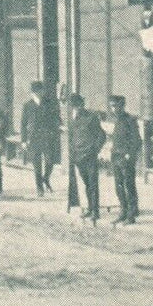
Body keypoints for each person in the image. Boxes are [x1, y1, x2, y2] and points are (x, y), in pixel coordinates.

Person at [66, 95, 106, 223]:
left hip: (89, 156)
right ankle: (89, 208)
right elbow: (71, 139)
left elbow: (101, 136)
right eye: (73, 106)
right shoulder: (72, 120)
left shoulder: (91, 117)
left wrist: (95, 150)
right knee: (86, 184)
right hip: (78, 157)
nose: (76, 108)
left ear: (82, 104)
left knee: (93, 184)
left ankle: (95, 211)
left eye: (78, 105)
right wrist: (72, 153)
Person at [19, 81, 60, 197]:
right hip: (33, 138)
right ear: (32, 93)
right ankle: (39, 187)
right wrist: (23, 140)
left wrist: (56, 127)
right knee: (37, 165)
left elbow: (55, 117)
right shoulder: (27, 106)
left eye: (39, 91)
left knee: (50, 161)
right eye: (35, 92)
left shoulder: (49, 103)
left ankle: (45, 178)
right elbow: (23, 124)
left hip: (47, 137)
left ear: (42, 91)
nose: (37, 93)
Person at [108, 95, 141, 225]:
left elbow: (137, 141)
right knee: (118, 186)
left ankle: (131, 215)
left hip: (125, 158)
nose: (113, 109)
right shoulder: (116, 120)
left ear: (122, 106)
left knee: (129, 186)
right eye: (111, 106)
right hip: (116, 157)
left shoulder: (130, 120)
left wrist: (130, 155)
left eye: (115, 106)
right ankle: (123, 212)